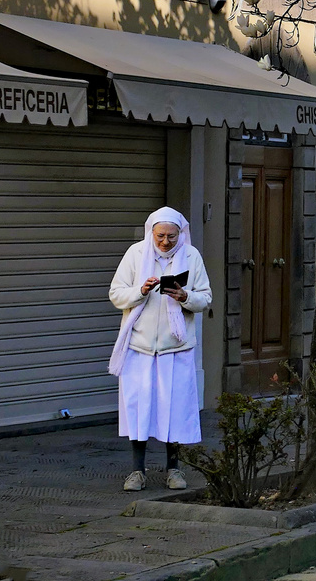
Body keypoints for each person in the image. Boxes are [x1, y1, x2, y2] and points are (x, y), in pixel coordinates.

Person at [109, 207, 212, 490]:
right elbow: (116, 293)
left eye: (171, 236)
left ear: (181, 233)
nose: (165, 242)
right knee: (138, 408)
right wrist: (141, 291)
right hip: (139, 346)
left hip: (175, 347)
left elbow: (205, 298)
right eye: (160, 236)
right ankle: (136, 470)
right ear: (150, 232)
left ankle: (174, 470)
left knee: (174, 409)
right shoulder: (135, 254)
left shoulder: (191, 256)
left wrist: (184, 296)